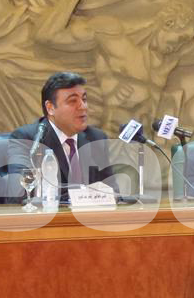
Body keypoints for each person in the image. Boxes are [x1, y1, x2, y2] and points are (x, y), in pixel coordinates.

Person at [6, 72, 117, 201]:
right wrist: (83, 194)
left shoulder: (95, 138)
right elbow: (20, 193)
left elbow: (113, 191)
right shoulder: (29, 139)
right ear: (50, 108)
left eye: (84, 99)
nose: (83, 106)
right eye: (73, 101)